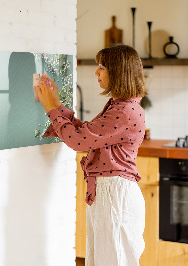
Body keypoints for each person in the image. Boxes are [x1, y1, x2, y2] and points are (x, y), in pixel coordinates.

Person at [35, 44, 147, 266]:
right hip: (110, 193)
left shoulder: (124, 111)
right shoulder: (120, 106)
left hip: (115, 195)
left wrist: (50, 108)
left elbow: (78, 141)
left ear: (118, 72)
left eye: (102, 67)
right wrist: (56, 104)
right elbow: (86, 133)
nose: (96, 72)